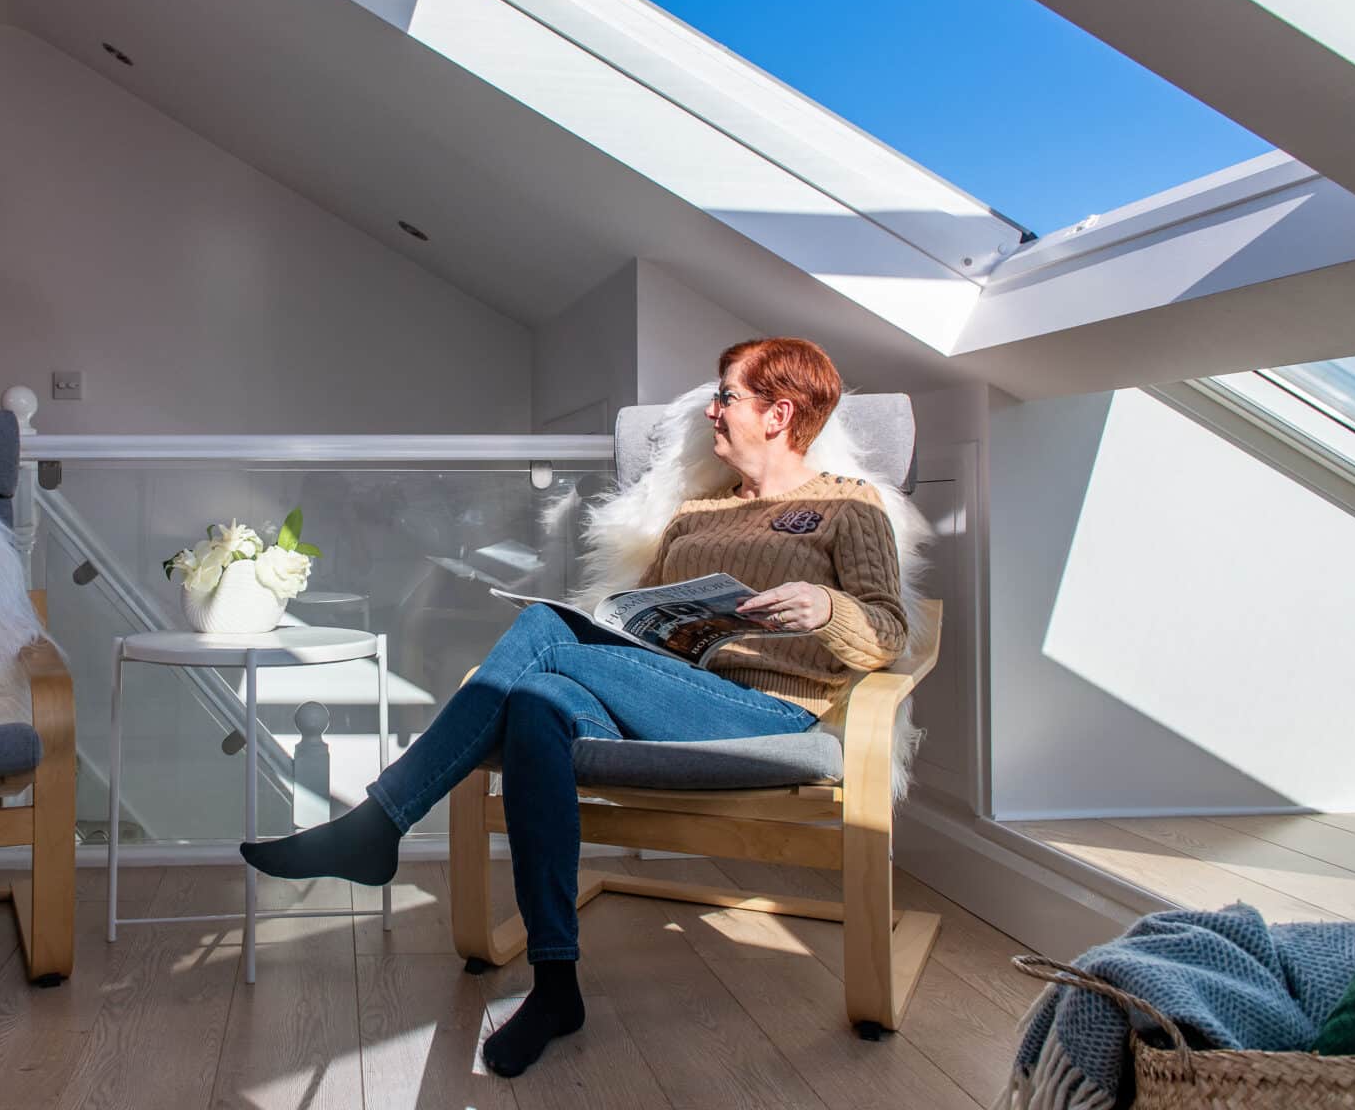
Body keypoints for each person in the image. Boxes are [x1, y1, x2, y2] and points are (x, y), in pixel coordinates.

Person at [241, 337, 909, 1077]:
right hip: (664, 690)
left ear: (779, 413)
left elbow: (888, 630)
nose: (713, 411)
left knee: (541, 632)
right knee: (531, 700)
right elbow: (639, 613)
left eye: (727, 396)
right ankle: (557, 988)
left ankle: (378, 822)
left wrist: (825, 606)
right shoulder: (694, 514)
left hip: (768, 715)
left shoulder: (848, 505)